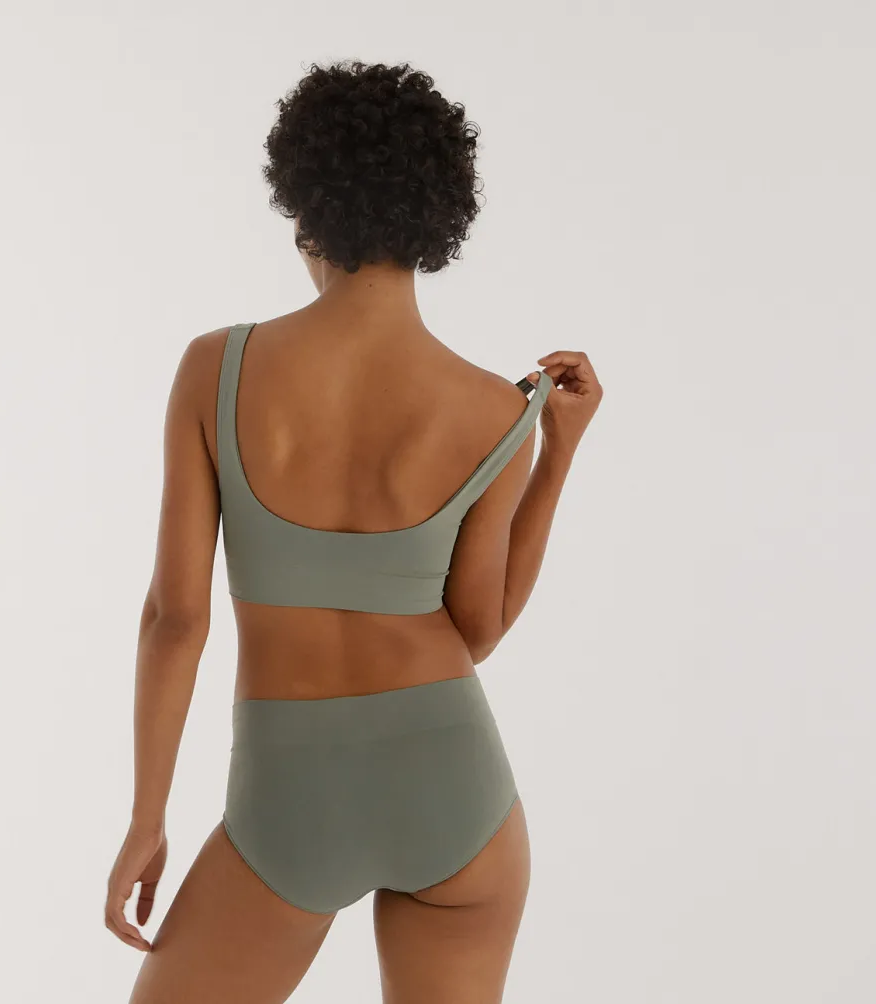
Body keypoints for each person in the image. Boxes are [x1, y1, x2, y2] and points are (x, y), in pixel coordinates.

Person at [105, 59, 602, 1004]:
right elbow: (478, 629)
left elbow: (176, 620)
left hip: (291, 794)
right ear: (434, 219)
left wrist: (147, 817)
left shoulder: (216, 370)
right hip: (455, 786)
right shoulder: (494, 411)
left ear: (304, 208)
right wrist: (554, 456)